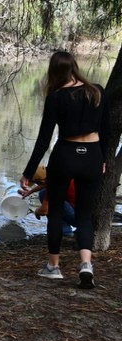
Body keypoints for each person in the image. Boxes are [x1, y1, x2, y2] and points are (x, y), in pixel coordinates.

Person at [20, 50, 109, 289]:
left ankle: (54, 267)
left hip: (66, 154)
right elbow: (106, 129)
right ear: (75, 67)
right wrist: (103, 159)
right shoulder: (97, 91)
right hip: (92, 155)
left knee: (56, 211)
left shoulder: (56, 96)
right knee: (84, 213)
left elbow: (43, 139)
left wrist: (28, 173)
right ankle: (86, 265)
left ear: (54, 71)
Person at [18, 165, 76, 236]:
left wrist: (36, 211)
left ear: (42, 181)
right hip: (85, 218)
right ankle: (77, 231)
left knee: (43, 194)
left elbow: (44, 211)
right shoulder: (59, 173)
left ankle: (65, 232)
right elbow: (44, 184)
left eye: (36, 183)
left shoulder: (52, 187)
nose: (36, 185)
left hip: (76, 217)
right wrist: (30, 192)